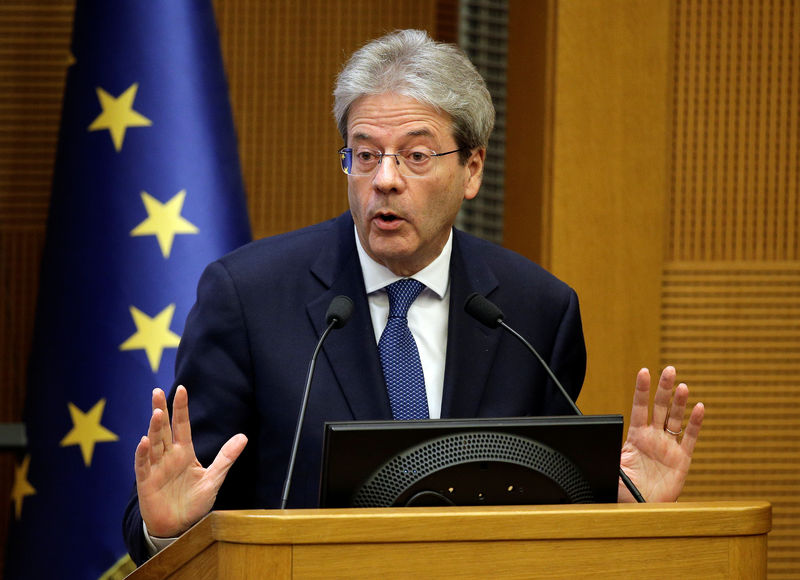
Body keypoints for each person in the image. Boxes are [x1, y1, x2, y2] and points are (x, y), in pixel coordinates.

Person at [123, 29, 705, 564]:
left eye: (416, 155)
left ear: (472, 169)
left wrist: (625, 513)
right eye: (365, 153)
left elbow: (547, 516)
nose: (385, 179)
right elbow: (175, 502)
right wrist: (168, 530)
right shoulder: (248, 298)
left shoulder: (535, 312)